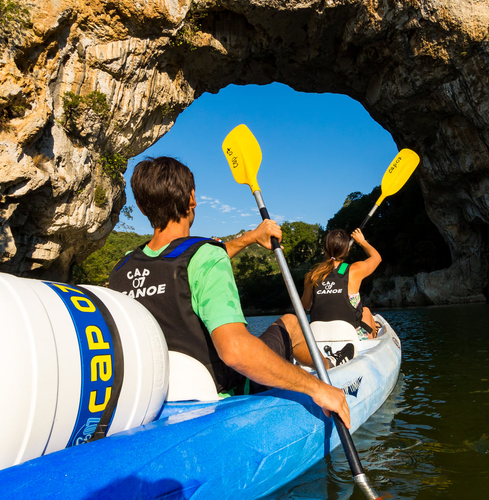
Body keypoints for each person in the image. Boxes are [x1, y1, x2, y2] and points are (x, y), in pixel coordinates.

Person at [107, 156, 349, 427]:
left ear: (141, 206)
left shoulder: (122, 267)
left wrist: (249, 238)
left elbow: (180, 260)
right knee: (291, 323)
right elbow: (235, 351)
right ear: (192, 198)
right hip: (217, 390)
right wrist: (316, 389)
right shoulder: (205, 256)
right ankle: (332, 374)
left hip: (153, 397)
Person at [302, 228, 381, 340]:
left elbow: (305, 305)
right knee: (366, 312)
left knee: (366, 311)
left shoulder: (312, 275)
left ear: (325, 249)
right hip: (349, 336)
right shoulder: (354, 270)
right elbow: (376, 258)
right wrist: (362, 242)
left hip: (318, 337)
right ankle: (373, 339)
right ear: (347, 250)